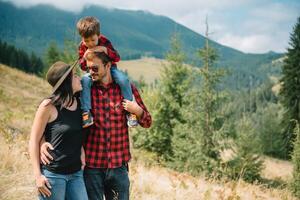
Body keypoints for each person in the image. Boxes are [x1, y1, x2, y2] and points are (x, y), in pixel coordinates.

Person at [41, 51, 152, 200]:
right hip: (92, 167)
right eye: (88, 69)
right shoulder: (83, 91)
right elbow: (58, 120)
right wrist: (42, 142)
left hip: (119, 166)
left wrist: (138, 111)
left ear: (108, 66)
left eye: (95, 68)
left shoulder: (126, 89)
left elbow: (147, 122)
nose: (90, 72)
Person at [29, 61, 88, 200]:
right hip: (53, 175)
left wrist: (81, 150)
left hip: (76, 173)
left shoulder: (80, 103)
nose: (79, 78)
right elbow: (33, 140)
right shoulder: (48, 106)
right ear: (66, 82)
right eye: (75, 76)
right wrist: (38, 176)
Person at [77, 16, 138, 128]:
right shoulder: (82, 47)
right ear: (82, 38)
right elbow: (82, 66)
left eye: (93, 40)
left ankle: (131, 112)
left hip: (110, 68)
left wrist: (105, 50)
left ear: (98, 35)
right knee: (85, 81)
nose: (90, 43)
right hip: (92, 71)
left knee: (123, 80)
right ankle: (86, 113)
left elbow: (117, 58)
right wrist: (84, 57)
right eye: (86, 41)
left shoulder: (105, 41)